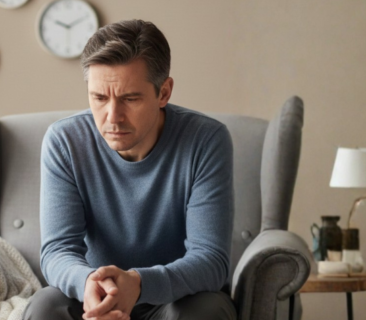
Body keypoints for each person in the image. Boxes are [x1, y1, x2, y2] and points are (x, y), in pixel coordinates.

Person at [24, 20, 237, 320]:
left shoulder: (206, 140)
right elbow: (58, 250)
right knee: (45, 306)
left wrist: (137, 283)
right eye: (99, 98)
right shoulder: (65, 142)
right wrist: (90, 285)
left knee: (207, 309)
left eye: (130, 98)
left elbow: (211, 261)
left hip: (174, 301)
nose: (113, 117)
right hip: (96, 297)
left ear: (164, 92)